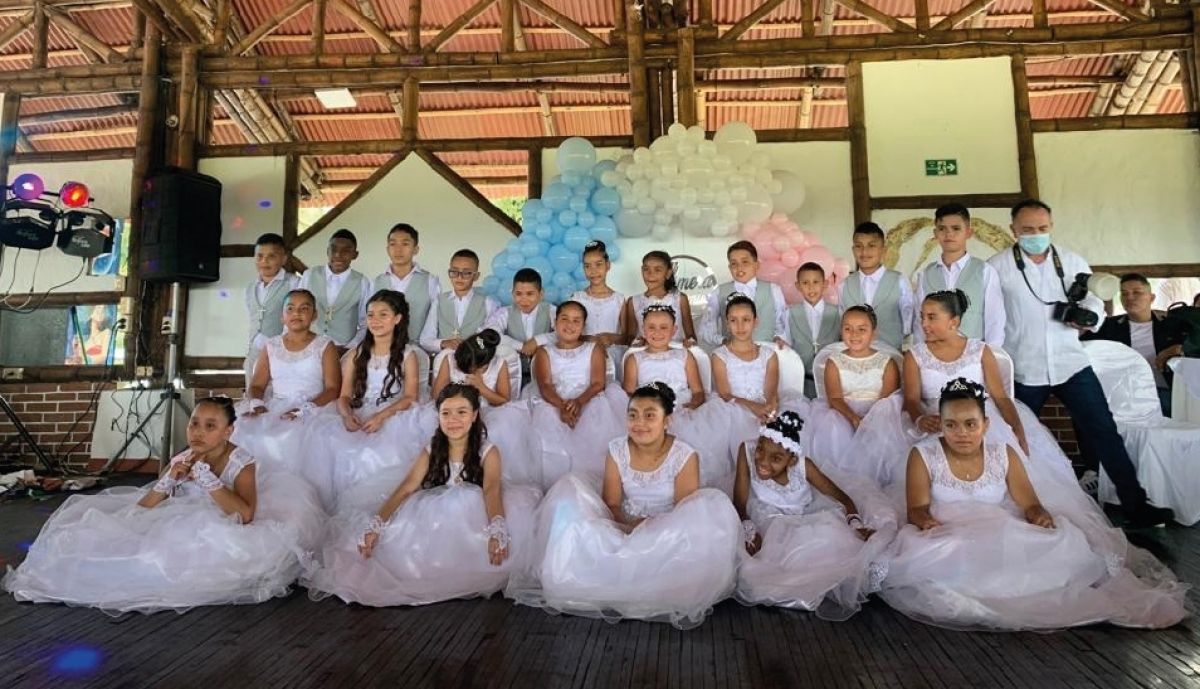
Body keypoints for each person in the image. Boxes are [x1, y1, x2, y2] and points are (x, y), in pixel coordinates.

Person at [877, 378, 1187, 630]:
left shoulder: (1003, 453)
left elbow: (1029, 502)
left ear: (985, 424)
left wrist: (1038, 514)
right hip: (949, 530)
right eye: (952, 425)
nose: (962, 433)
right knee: (944, 561)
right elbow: (917, 508)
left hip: (997, 525)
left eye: (970, 424)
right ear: (940, 425)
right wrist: (924, 520)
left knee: (1057, 546)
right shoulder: (924, 454)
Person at [4, 398, 325, 614]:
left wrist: (208, 480)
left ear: (229, 431)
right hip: (179, 514)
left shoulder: (241, 461)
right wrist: (168, 480)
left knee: (170, 556)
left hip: (221, 519)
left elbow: (244, 514)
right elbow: (143, 508)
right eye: (194, 423)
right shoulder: (183, 457)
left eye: (210, 426)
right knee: (99, 535)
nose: (198, 432)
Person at [987, 199, 1173, 528]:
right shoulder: (996, 267)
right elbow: (990, 318)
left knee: (1104, 431)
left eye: (1042, 228)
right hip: (1024, 365)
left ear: (1051, 227)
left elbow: (1094, 299)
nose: (1036, 235)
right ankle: (1006, 505)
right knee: (1012, 436)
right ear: (1013, 229)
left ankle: (1136, 505)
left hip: (1070, 362)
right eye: (1028, 229)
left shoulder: (1072, 261)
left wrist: (1089, 318)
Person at [508, 383, 741, 629]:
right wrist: (626, 527)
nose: (639, 423)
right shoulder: (617, 450)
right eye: (633, 415)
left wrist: (650, 530)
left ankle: (645, 578)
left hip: (668, 529)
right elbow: (611, 503)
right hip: (624, 521)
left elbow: (685, 514)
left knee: (698, 527)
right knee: (570, 505)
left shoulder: (684, 456)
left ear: (666, 421)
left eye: (649, 416)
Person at [304, 384, 540, 607]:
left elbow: (491, 489)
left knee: (479, 514)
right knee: (393, 544)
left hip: (474, 516)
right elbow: (407, 487)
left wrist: (497, 528)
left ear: (475, 415)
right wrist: (376, 524)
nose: (453, 420)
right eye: (446, 413)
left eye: (461, 412)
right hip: (436, 513)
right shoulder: (432, 448)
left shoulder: (487, 451)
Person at [734, 411, 896, 618]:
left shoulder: (804, 466)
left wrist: (855, 523)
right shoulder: (746, 451)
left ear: (791, 460)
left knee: (821, 551)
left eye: (776, 458)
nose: (763, 462)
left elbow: (842, 497)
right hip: (766, 517)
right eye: (760, 450)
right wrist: (748, 529)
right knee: (761, 567)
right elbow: (739, 501)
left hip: (804, 517)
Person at [307, 289, 435, 509]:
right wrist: (347, 415)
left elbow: (410, 397)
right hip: (359, 411)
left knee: (379, 452)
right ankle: (344, 505)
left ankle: (382, 507)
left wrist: (381, 416)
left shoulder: (408, 355)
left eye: (383, 314)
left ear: (397, 319)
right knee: (333, 443)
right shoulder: (357, 354)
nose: (375, 320)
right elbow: (343, 396)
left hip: (393, 414)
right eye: (371, 315)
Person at [624, 303, 733, 492]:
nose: (657, 332)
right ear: (643, 329)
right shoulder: (635, 359)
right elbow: (628, 393)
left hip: (682, 407)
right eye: (651, 327)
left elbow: (698, 391)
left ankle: (685, 481)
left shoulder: (684, 355)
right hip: (648, 408)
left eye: (663, 327)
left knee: (686, 436)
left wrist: (692, 407)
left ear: (674, 330)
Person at [233, 290, 341, 474]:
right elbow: (257, 385)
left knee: (303, 437)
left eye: (304, 308)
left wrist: (304, 410)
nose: (296, 313)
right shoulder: (271, 345)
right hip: (276, 405)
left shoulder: (324, 345)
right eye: (290, 308)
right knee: (247, 431)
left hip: (314, 408)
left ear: (314, 315)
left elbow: (333, 389)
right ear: (282, 316)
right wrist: (257, 404)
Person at [530, 301, 626, 488]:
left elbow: (598, 383)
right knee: (547, 418)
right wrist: (562, 406)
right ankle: (555, 482)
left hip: (588, 397)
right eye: (564, 319)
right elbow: (545, 385)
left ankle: (591, 481)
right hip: (555, 399)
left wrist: (579, 402)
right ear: (555, 322)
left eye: (576, 321)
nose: (570, 325)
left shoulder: (593, 349)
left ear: (583, 326)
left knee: (596, 417)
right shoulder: (544, 352)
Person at [433, 328, 539, 486]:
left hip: (488, 412)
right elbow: (436, 395)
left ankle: (481, 476)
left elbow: (504, 400)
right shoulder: (449, 359)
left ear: (485, 364)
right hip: (455, 409)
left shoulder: (500, 364)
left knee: (493, 432)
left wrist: (482, 388)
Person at [803, 306, 900, 473]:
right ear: (841, 331)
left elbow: (886, 400)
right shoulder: (833, 361)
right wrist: (854, 418)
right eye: (848, 329)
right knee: (835, 431)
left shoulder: (887, 362)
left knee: (884, 438)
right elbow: (835, 398)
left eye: (862, 329)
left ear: (873, 333)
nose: (854, 334)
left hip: (878, 413)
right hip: (843, 413)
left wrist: (870, 420)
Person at [1082, 273, 1186, 417]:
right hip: (1126, 396)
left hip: (1167, 391)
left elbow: (1194, 346)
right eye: (1124, 294)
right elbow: (1081, 347)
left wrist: (1179, 348)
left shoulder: (1172, 325)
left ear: (1151, 298)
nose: (1129, 298)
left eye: (1137, 292)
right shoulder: (1108, 327)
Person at [912, 204, 1006, 347]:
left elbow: (995, 320)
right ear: (935, 233)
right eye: (942, 229)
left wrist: (991, 354)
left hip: (973, 354)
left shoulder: (985, 271)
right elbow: (919, 322)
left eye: (956, 228)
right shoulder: (925, 274)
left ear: (968, 232)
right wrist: (920, 353)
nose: (949, 234)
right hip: (934, 353)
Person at [839, 222, 914, 350]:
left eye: (871, 246)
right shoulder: (844, 284)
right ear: (853, 250)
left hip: (891, 353)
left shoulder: (899, 280)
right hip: (855, 355)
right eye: (859, 246)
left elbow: (909, 321)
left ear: (883, 250)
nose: (864, 252)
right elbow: (841, 322)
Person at [701, 240, 788, 348]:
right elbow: (706, 327)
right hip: (732, 353)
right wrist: (722, 341)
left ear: (756, 265)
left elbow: (782, 323)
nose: (739, 268)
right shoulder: (719, 292)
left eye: (745, 262)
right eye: (734, 263)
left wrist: (778, 337)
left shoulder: (773, 289)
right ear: (729, 267)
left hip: (767, 351)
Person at [297, 229, 373, 350]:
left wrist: (350, 348)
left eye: (346, 251)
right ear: (327, 251)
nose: (338, 254)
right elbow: (296, 310)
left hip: (343, 348)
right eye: (334, 249)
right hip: (309, 345)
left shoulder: (362, 282)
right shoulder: (310, 275)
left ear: (355, 254)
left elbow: (365, 322)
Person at [242, 233, 299, 386]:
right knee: (253, 393)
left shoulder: (294, 283)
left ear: (284, 258)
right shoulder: (250, 287)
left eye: (271, 256)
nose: (264, 261)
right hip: (254, 351)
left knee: (279, 392)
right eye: (259, 256)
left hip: (283, 350)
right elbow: (252, 317)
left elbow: (297, 319)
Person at [484, 267, 556, 385]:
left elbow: (563, 334)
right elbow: (491, 334)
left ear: (541, 294)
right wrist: (520, 346)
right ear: (512, 293)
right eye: (518, 294)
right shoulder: (505, 312)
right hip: (512, 375)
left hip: (545, 375)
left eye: (530, 294)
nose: (524, 299)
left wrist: (537, 341)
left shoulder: (551, 310)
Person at [419, 249, 499, 354]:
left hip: (475, 358)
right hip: (445, 357)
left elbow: (491, 339)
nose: (459, 277)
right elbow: (425, 340)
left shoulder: (488, 303)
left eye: (466, 273)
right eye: (454, 272)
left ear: (476, 276)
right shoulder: (439, 301)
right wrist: (443, 343)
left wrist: (473, 346)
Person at [373, 223, 441, 344]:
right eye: (393, 244)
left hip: (418, 348)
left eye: (405, 244)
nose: (398, 250)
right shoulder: (376, 282)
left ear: (416, 249)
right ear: (387, 249)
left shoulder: (430, 281)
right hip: (381, 348)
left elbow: (435, 322)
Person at [570, 240, 628, 380]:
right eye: (587, 266)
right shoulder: (577, 298)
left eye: (598, 264)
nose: (593, 271)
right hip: (584, 356)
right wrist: (588, 338)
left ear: (608, 265)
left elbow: (627, 337)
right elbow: (569, 332)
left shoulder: (619, 299)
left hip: (612, 357)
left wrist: (612, 337)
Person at [783, 262, 841, 399]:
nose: (811, 287)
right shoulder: (789, 313)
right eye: (805, 283)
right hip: (800, 380)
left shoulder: (837, 312)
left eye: (816, 282)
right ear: (798, 286)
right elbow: (787, 345)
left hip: (831, 380)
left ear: (825, 284)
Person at [622, 250, 697, 346]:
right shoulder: (633, 301)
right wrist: (638, 341)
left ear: (668, 273)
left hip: (675, 351)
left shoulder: (680, 299)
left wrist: (689, 342)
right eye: (646, 269)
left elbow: (691, 335)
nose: (650, 274)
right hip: (646, 352)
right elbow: (630, 337)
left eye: (657, 270)